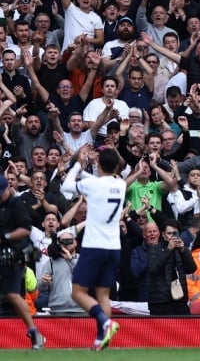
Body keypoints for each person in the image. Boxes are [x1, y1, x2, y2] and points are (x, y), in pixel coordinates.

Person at [60, 147, 125, 351]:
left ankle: (105, 323)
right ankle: (100, 340)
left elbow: (66, 187)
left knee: (78, 292)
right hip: (114, 247)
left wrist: (79, 163)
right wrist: (87, 169)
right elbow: (98, 180)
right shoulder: (121, 184)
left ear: (99, 165)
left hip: (94, 246)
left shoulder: (93, 185)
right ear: (116, 166)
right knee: (103, 295)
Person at [0, 175, 45, 350]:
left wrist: (5, 237)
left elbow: (25, 230)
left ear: (7, 190)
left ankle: (34, 331)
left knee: (12, 294)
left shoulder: (16, 204)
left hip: (15, 254)